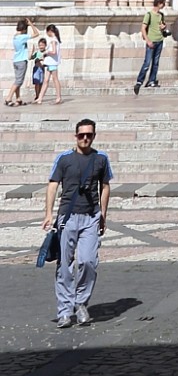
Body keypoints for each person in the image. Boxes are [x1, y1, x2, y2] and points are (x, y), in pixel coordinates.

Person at [45, 119, 112, 329]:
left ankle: (81, 302)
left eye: (89, 135)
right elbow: (53, 185)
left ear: (94, 136)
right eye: (81, 135)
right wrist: (48, 213)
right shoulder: (64, 158)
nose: (85, 138)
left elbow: (106, 186)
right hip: (67, 216)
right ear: (75, 136)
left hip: (91, 216)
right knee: (64, 264)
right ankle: (65, 310)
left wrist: (103, 214)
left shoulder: (101, 158)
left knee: (88, 261)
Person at [133, 0, 168, 94]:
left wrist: (163, 27)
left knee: (156, 63)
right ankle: (139, 81)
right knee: (147, 63)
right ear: (159, 3)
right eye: (163, 4)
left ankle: (152, 80)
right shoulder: (149, 14)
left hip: (159, 40)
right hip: (151, 41)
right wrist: (148, 40)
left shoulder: (161, 15)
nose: (164, 6)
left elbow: (162, 25)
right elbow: (143, 28)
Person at [6, 17, 29, 106]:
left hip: (16, 60)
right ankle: (8, 98)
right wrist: (30, 24)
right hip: (21, 61)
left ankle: (18, 98)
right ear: (24, 29)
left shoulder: (15, 36)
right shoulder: (23, 37)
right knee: (18, 82)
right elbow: (36, 33)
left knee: (17, 80)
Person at [37, 22, 62, 105]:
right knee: (46, 80)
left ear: (49, 31)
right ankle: (40, 98)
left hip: (52, 63)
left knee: (55, 79)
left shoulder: (53, 40)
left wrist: (46, 52)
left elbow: (54, 52)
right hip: (50, 63)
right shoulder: (55, 40)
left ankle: (58, 97)